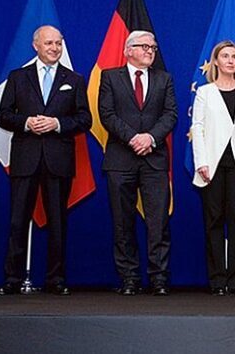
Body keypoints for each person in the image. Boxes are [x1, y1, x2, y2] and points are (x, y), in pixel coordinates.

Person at [0, 25, 91, 296]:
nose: (54, 48)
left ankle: (55, 279)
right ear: (35, 45)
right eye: (49, 43)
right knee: (17, 221)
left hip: (58, 160)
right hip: (25, 158)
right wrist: (26, 122)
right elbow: (2, 116)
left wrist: (57, 123)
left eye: (58, 43)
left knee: (58, 222)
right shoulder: (18, 77)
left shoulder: (74, 79)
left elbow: (85, 119)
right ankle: (12, 279)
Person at [98, 30, 177, 296]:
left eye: (153, 48)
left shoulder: (164, 79)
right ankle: (129, 278)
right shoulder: (110, 77)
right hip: (121, 159)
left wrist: (150, 139)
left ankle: (159, 279)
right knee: (122, 223)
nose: (150, 51)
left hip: (154, 160)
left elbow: (170, 115)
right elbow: (106, 115)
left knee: (158, 223)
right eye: (144, 47)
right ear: (128, 50)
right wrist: (133, 138)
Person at [191, 40, 235, 296]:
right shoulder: (204, 92)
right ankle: (217, 280)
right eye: (225, 56)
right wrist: (201, 162)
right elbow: (197, 128)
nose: (231, 61)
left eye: (234, 56)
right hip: (212, 166)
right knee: (213, 222)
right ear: (216, 61)